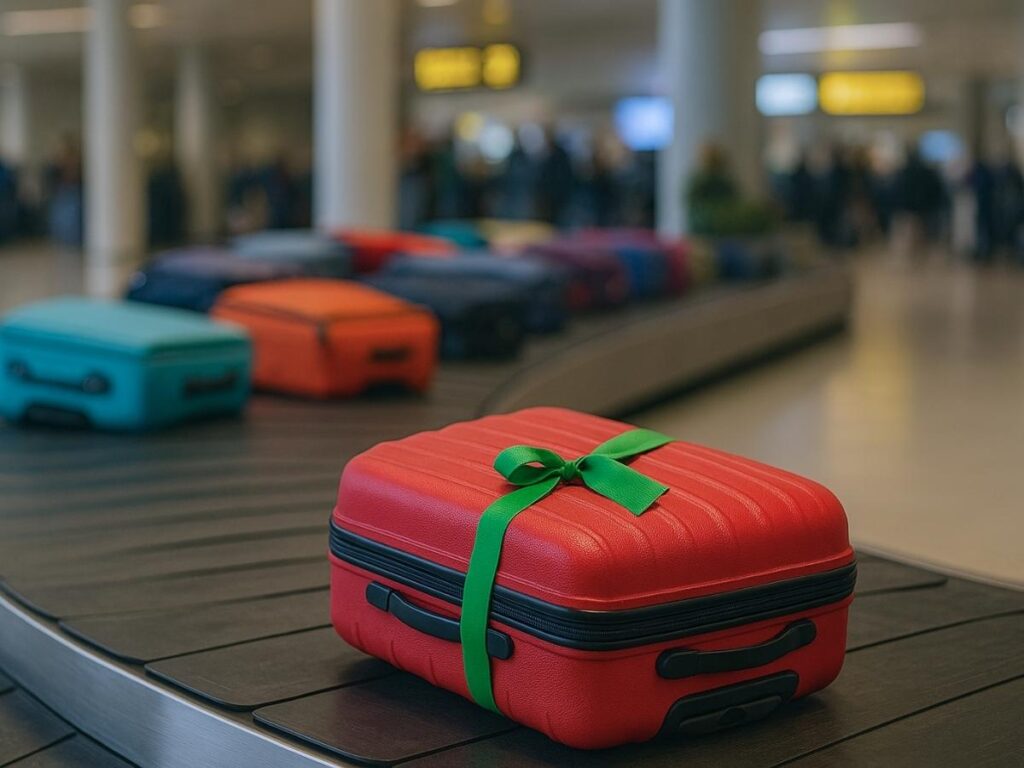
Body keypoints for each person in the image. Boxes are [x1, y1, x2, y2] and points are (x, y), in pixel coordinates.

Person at [535, 126, 575, 226]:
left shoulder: (558, 155)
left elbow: (565, 176)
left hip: (558, 194)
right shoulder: (548, 154)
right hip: (552, 195)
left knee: (558, 221)